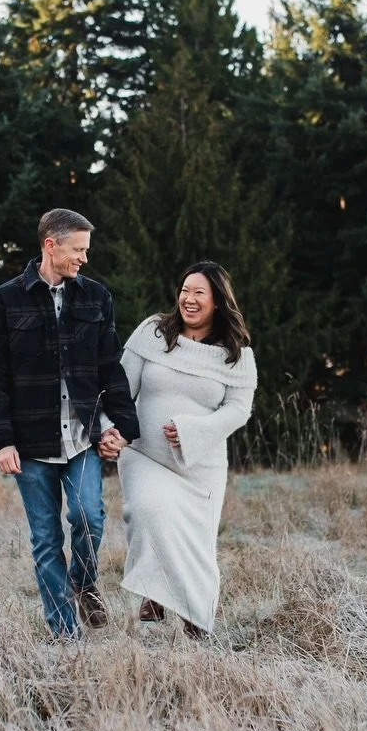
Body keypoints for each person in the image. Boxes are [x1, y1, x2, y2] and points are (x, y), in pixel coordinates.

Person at [0, 209, 139, 641]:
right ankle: (66, 636)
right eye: (78, 250)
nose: (84, 258)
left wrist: (122, 426)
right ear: (51, 245)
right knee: (46, 539)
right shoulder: (4, 300)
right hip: (29, 446)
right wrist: (1, 440)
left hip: (82, 439)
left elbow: (110, 367)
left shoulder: (96, 298)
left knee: (89, 518)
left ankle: (84, 583)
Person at [116, 262, 257, 638]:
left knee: (196, 545)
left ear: (217, 302)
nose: (188, 299)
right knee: (148, 508)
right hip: (144, 454)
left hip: (201, 467)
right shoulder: (153, 333)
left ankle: (194, 619)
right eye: (184, 290)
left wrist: (194, 430)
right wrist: (111, 431)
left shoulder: (236, 355)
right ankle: (155, 589)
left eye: (199, 293)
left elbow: (238, 410)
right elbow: (120, 390)